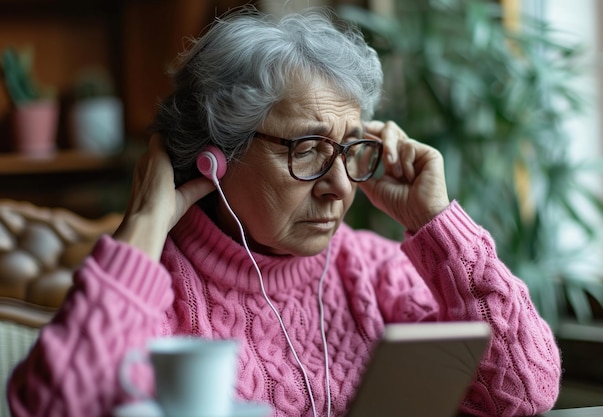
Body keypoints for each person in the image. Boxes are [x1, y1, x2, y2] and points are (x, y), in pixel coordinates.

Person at [8, 6, 561, 417]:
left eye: (348, 149)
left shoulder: (372, 272)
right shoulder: (155, 293)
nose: (339, 187)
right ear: (216, 156)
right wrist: (147, 225)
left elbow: (525, 390)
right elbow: (54, 406)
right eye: (307, 149)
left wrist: (436, 223)